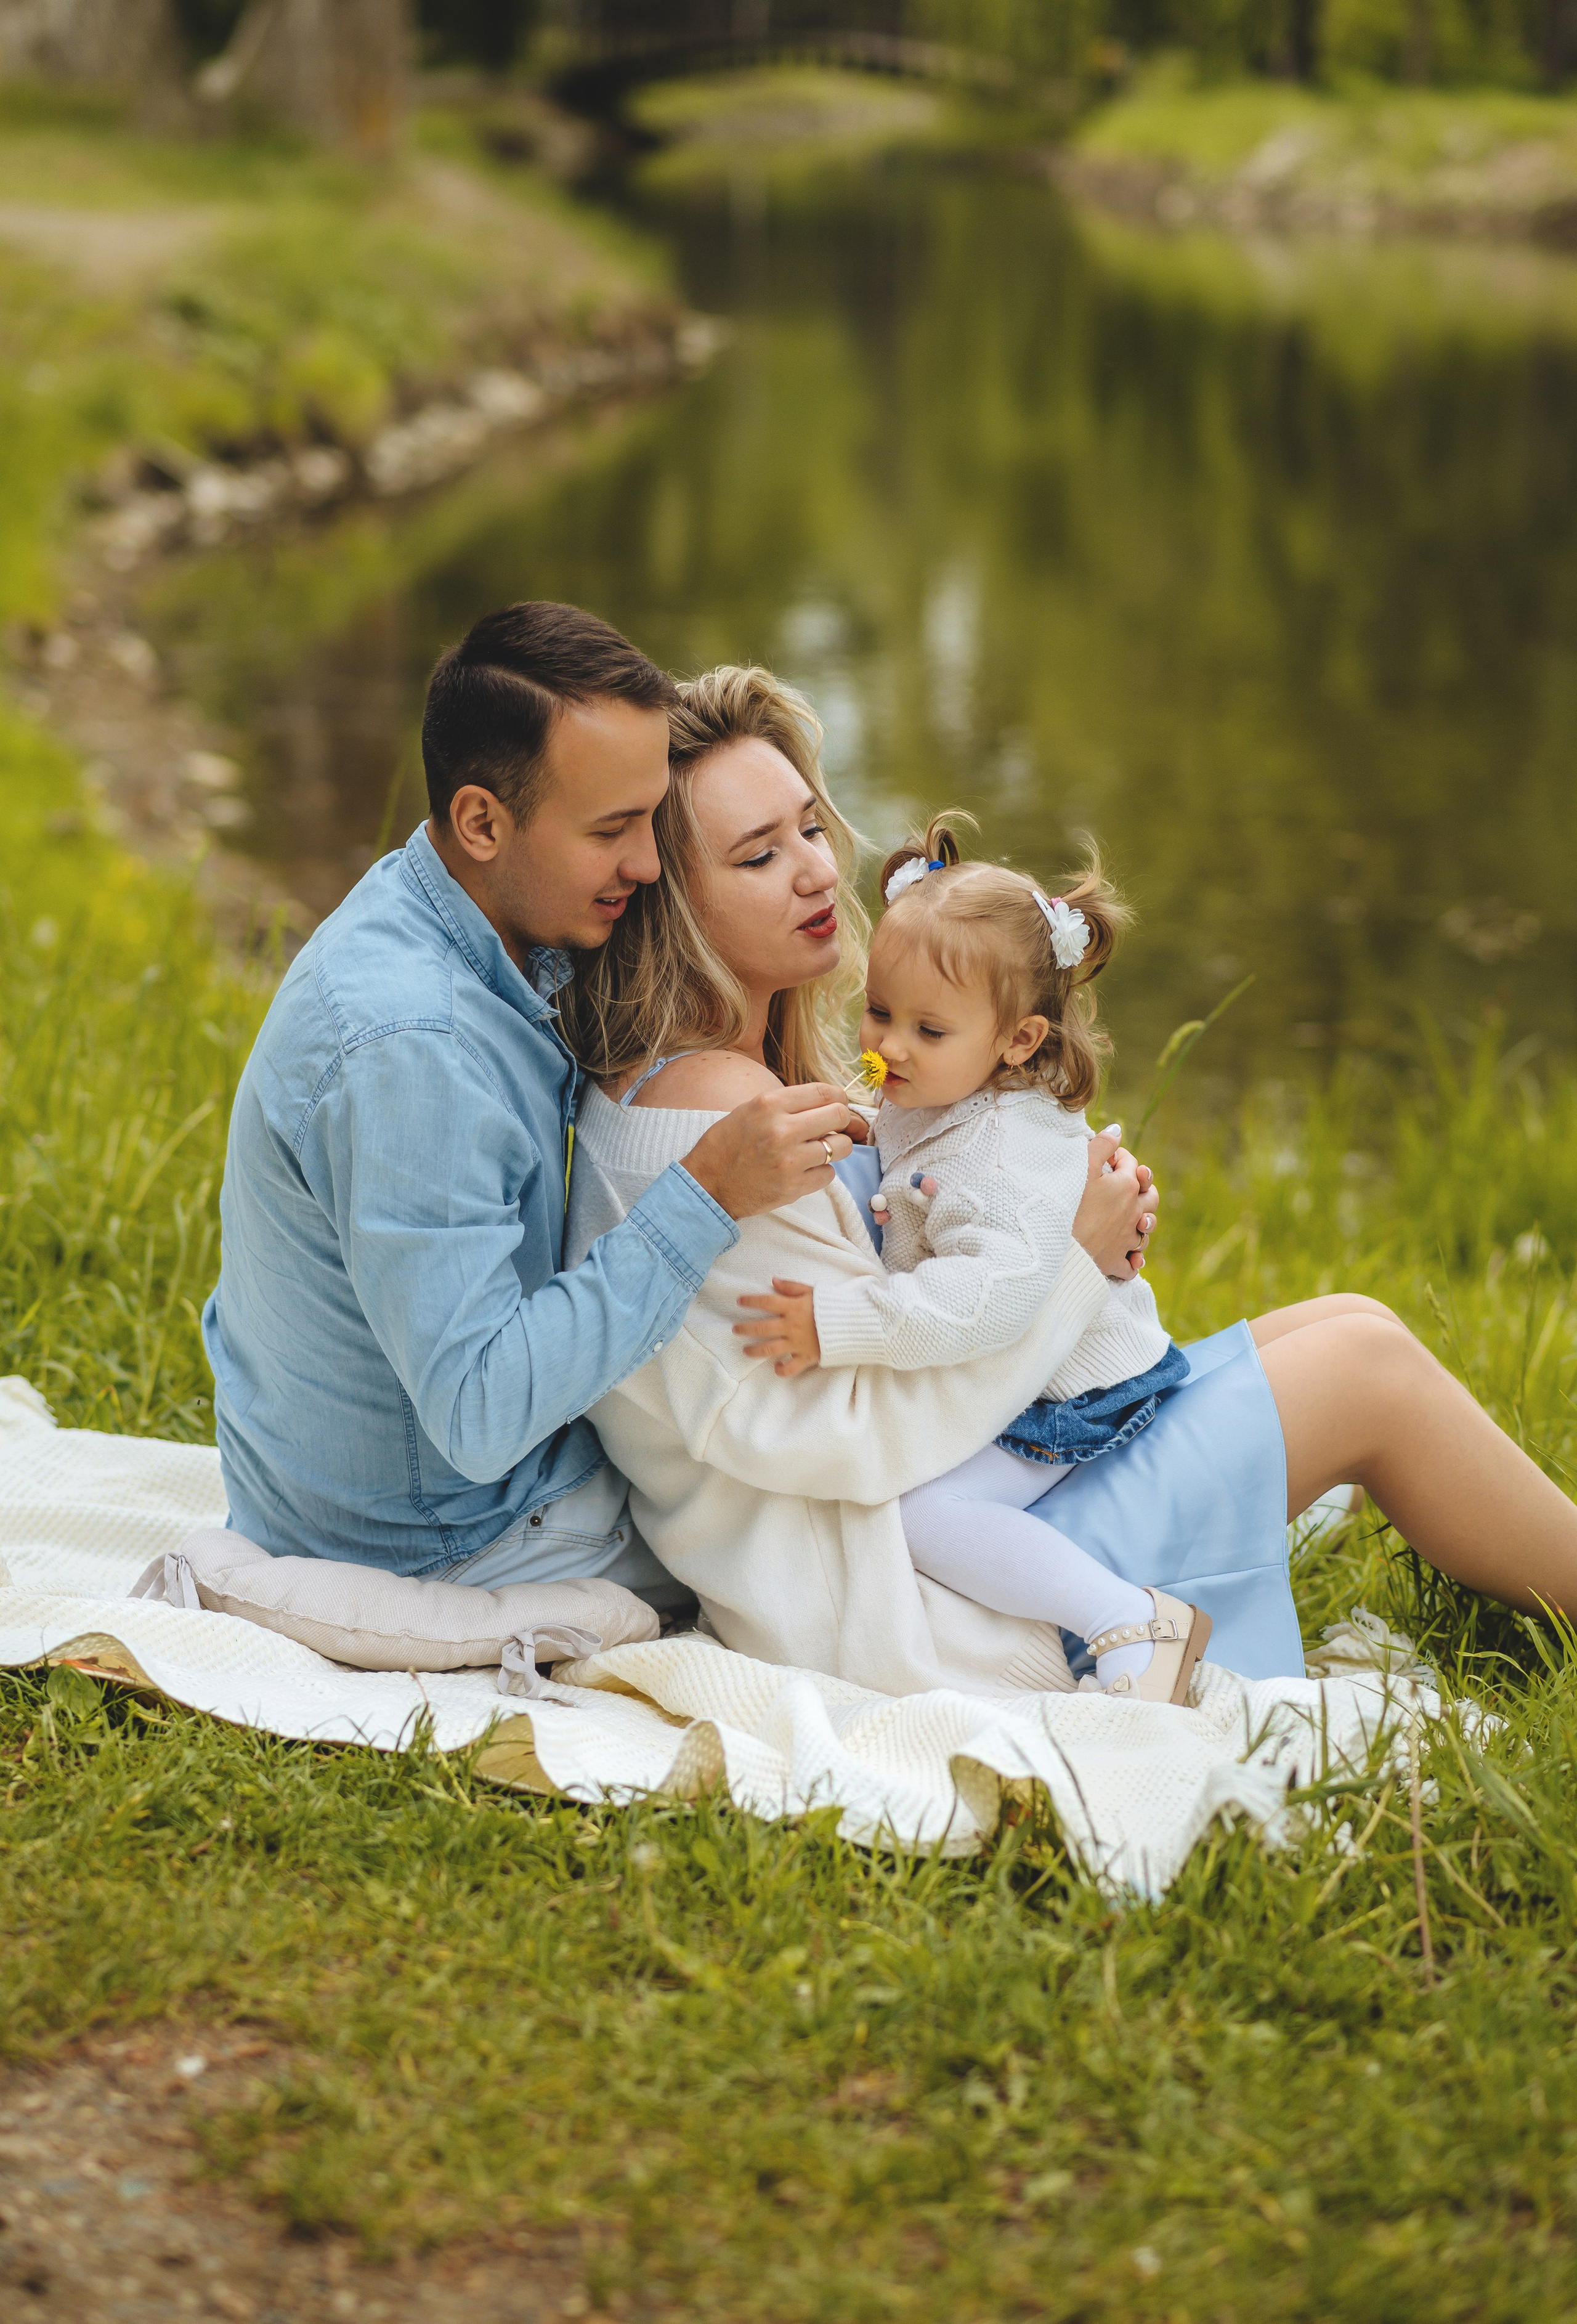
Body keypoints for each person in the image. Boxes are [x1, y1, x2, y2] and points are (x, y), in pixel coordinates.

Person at [564, 662, 1577, 1697]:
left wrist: (1056, 1216)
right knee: (1366, 1367)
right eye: (759, 855)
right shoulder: (725, 1125)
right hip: (920, 1595)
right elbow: (854, 1436)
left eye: (812, 829)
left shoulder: (721, 1077)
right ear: (666, 894)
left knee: (1346, 1319)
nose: (818, 872)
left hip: (957, 1504)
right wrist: (1076, 1264)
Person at [201, 603, 861, 1601]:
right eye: (612, 830)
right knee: (801, 1528)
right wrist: (704, 1193)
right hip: (441, 1536)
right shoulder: (412, 1050)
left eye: (651, 819)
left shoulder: (455, 905)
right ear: (481, 822)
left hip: (355, 1479)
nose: (649, 866)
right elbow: (479, 1415)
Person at [734, 812, 1210, 1705]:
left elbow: (978, 1301)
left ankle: (1129, 1623)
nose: (888, 1047)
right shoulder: (940, 1088)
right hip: (1028, 1366)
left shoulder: (997, 1152)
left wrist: (837, 1325)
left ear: (1018, 1041)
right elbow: (902, 1137)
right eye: (880, 1012)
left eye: (928, 1030)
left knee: (927, 1514)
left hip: (1070, 1389)